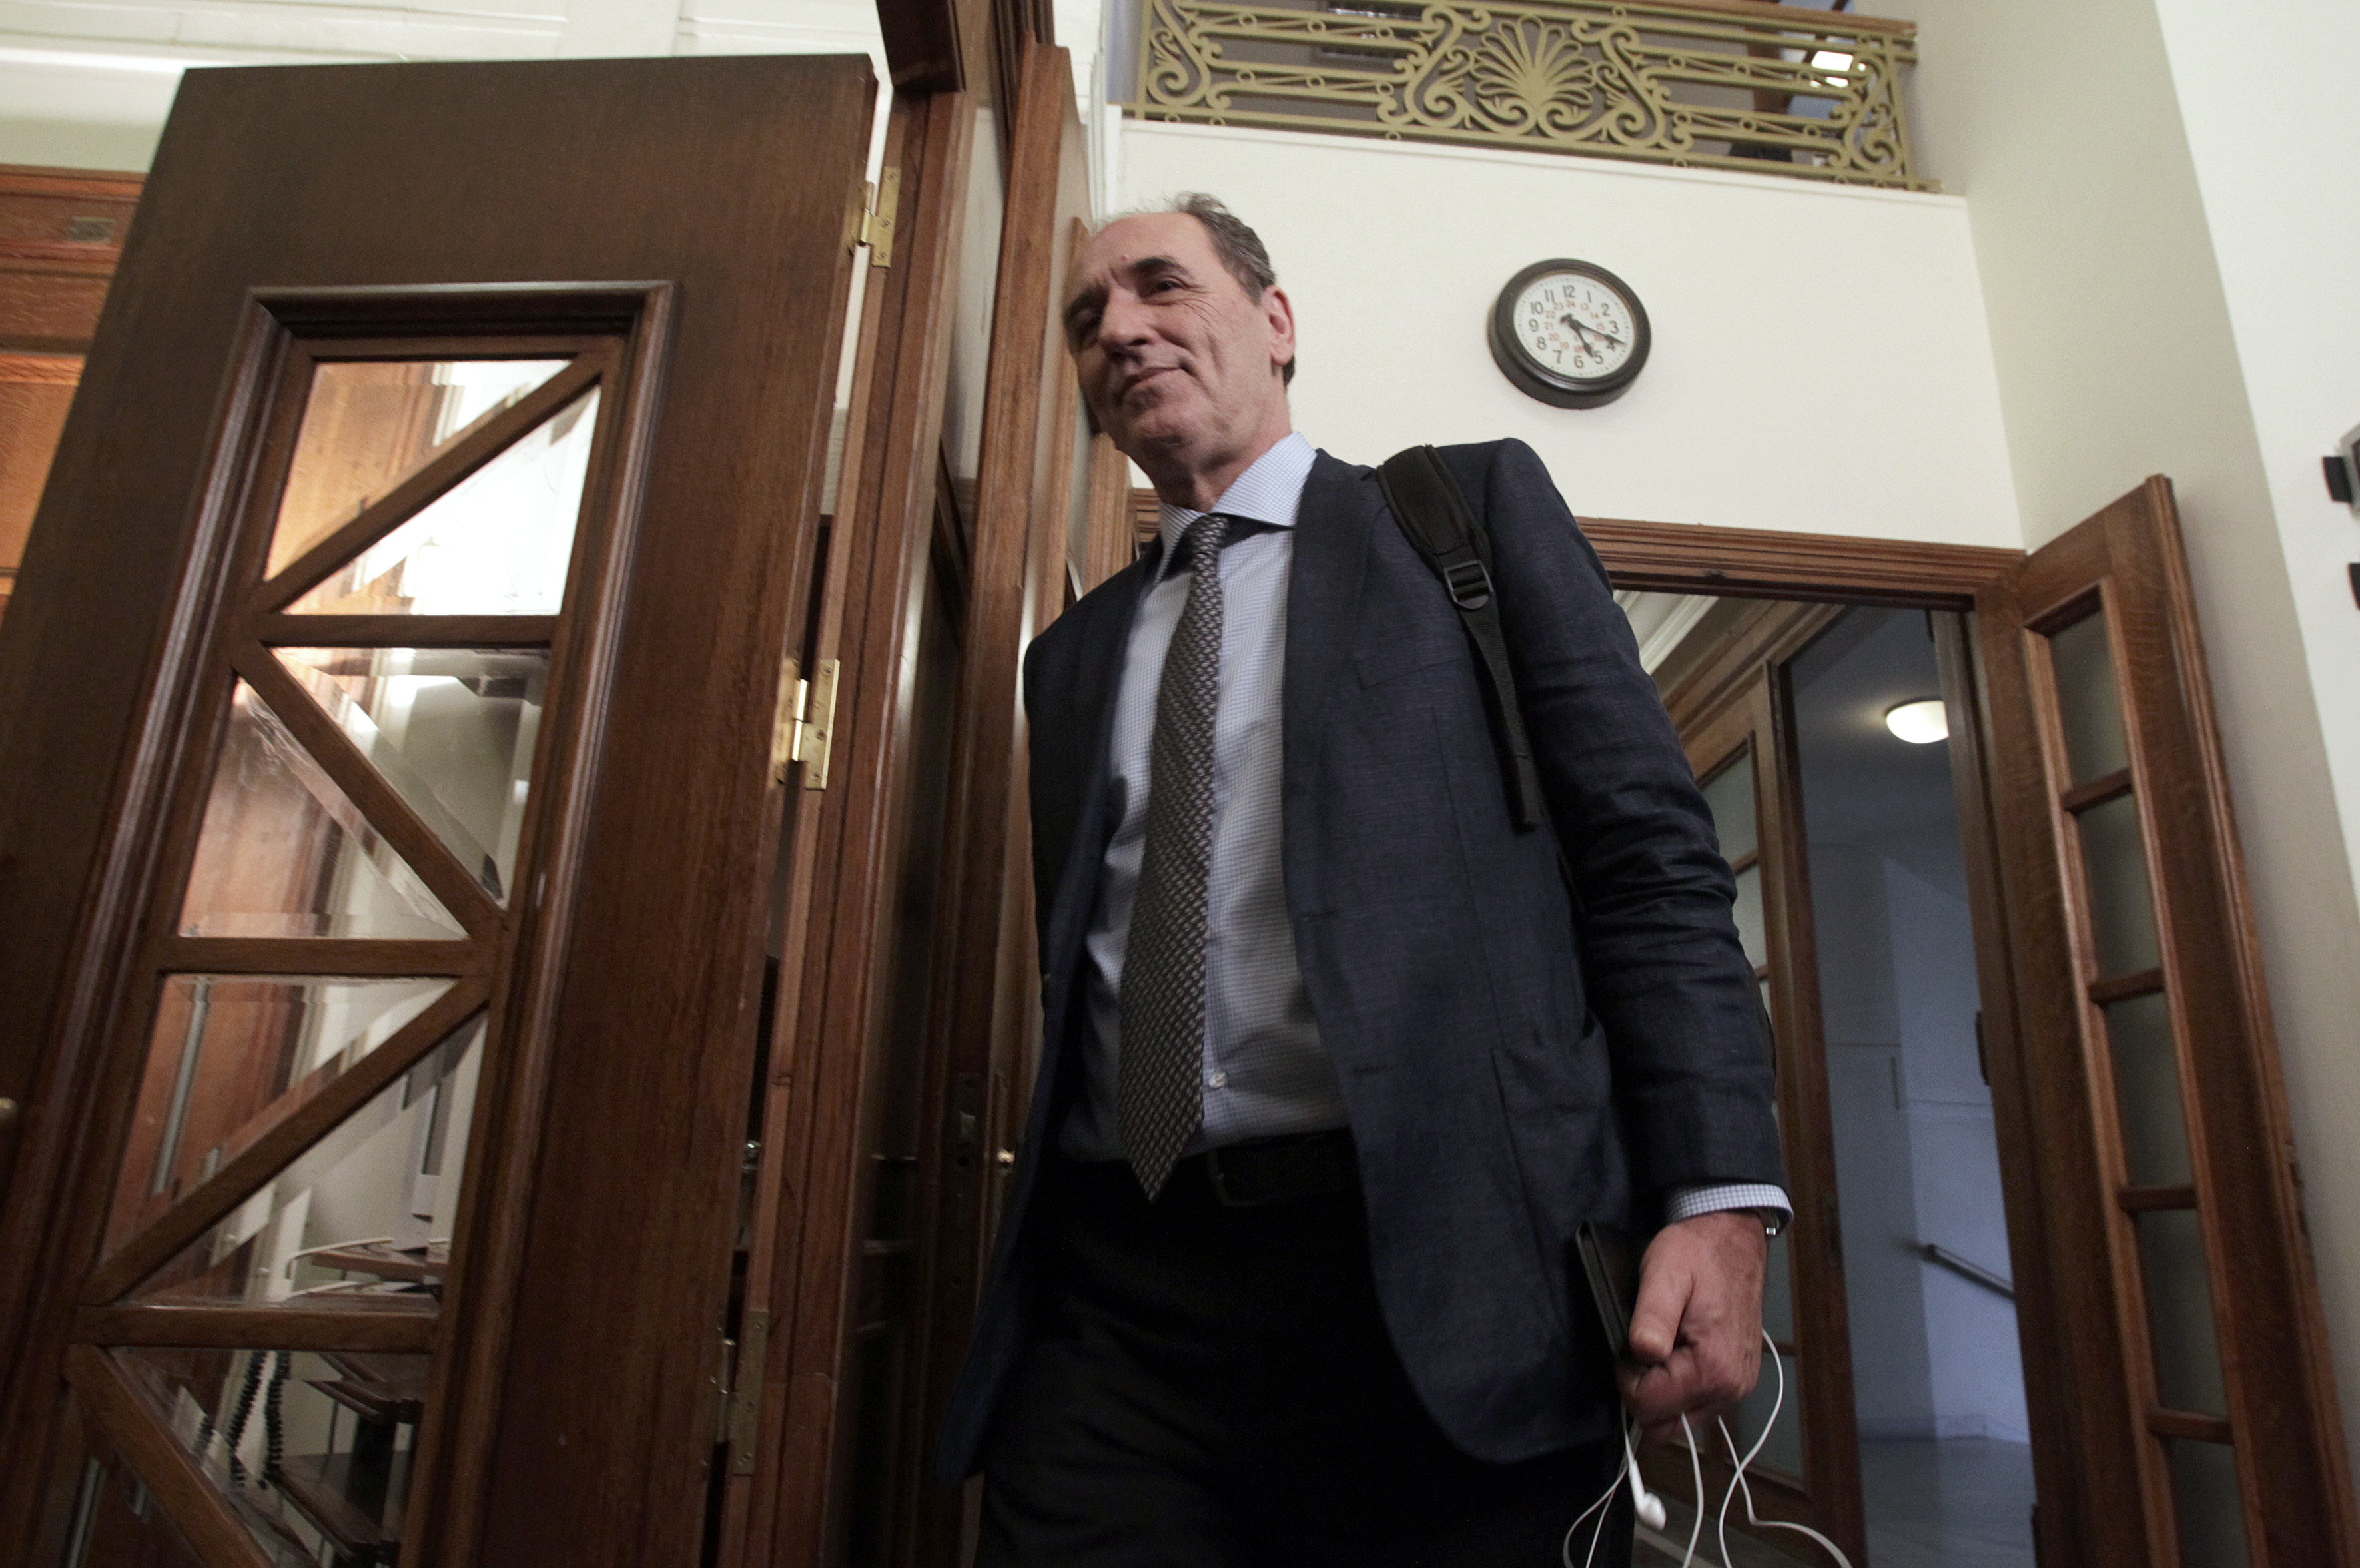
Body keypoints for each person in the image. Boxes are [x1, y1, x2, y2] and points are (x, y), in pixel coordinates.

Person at [935, 194, 1788, 1567]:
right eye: (1088, 318)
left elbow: (1649, 865)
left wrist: (1718, 1197)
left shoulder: (1461, 520)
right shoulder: (1072, 656)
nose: (1122, 329)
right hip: (1120, 1296)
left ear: (1275, 322)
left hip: (1446, 1276)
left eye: (1161, 285)